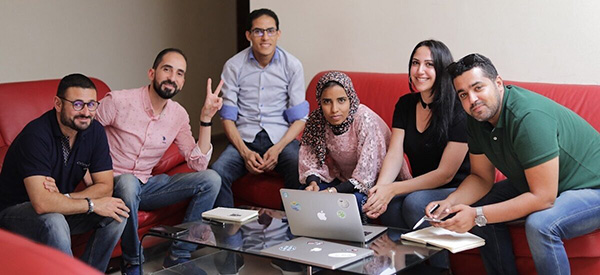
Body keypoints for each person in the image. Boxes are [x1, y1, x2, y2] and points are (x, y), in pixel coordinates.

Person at [427, 53, 600, 274]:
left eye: (478, 87)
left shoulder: (528, 117)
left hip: (591, 187)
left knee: (541, 225)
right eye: (463, 94)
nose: (472, 100)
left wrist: (477, 214)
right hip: (542, 181)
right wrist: (448, 205)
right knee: (483, 205)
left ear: (498, 83)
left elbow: (544, 198)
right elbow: (481, 178)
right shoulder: (476, 118)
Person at [95, 48, 222, 274]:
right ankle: (133, 262)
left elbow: (198, 163)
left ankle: (178, 255)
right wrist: (90, 180)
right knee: (127, 182)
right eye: (167, 70)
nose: (173, 78)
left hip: (145, 185)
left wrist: (205, 119)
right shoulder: (118, 101)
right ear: (152, 73)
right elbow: (84, 138)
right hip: (112, 183)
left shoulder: (178, 115)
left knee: (211, 179)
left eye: (180, 73)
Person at [0, 73, 130, 272]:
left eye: (92, 104)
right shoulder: (36, 135)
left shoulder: (94, 131)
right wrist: (91, 204)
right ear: (58, 103)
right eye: (77, 104)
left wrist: (63, 198)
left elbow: (105, 186)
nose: (86, 112)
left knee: (116, 211)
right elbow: (42, 203)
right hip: (15, 213)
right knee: (54, 219)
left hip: (60, 204)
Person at [363, 40, 470, 229]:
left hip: (457, 188)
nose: (420, 71)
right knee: (389, 206)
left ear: (442, 69)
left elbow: (445, 174)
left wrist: (393, 189)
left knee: (414, 203)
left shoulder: (459, 109)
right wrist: (381, 190)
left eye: (429, 64)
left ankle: (436, 258)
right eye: (415, 63)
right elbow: (395, 154)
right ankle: (407, 259)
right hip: (422, 186)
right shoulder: (405, 104)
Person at [212, 8, 308, 208]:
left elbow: (299, 118)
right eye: (258, 31)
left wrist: (278, 148)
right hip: (245, 137)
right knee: (217, 172)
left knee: (298, 165)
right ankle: (229, 234)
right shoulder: (233, 66)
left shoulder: (293, 66)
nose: (265, 37)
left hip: (281, 139)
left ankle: (292, 229)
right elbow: (227, 118)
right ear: (248, 35)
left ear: (278, 34)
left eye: (270, 31)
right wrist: (245, 153)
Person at [299, 71, 393, 216]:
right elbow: (311, 161)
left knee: (350, 202)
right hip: (342, 179)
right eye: (327, 102)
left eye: (341, 100)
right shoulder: (317, 120)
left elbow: (366, 177)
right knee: (303, 197)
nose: (334, 109)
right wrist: (313, 183)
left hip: (373, 183)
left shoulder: (364, 119)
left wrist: (332, 192)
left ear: (351, 99)